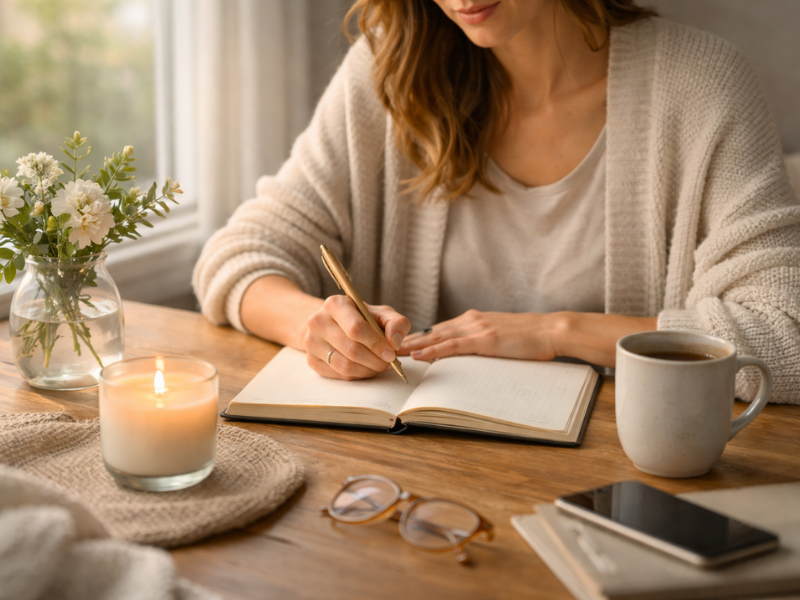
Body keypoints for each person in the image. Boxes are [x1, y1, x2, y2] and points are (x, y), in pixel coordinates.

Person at [193, 0, 800, 404]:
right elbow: (239, 256)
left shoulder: (701, 84)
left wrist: (556, 333)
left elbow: (786, 335)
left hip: (626, 487)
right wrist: (318, 328)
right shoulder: (392, 69)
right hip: (417, 481)